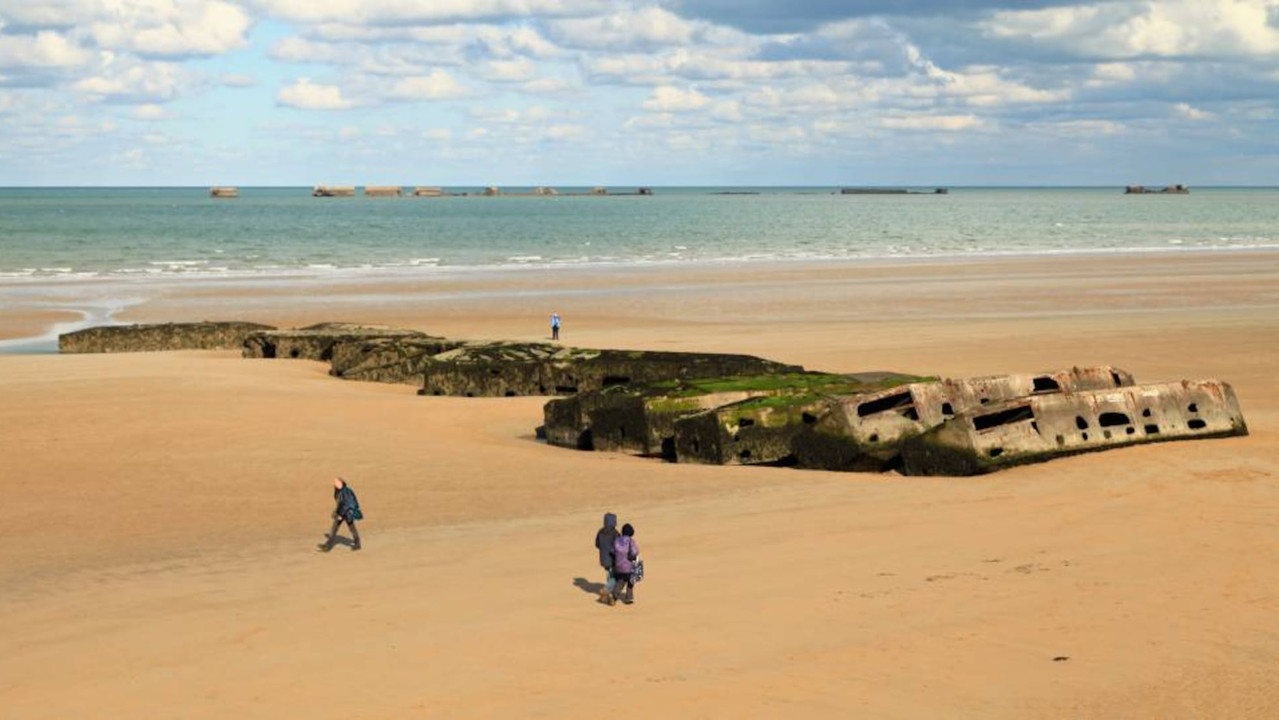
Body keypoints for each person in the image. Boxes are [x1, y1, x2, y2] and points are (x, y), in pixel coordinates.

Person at [319, 477, 362, 552]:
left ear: (341, 483)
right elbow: (339, 503)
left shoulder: (346, 491)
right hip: (343, 512)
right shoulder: (339, 491)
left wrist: (340, 515)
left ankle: (357, 544)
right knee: (335, 529)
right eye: (335, 483)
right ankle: (327, 546)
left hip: (347, 513)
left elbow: (346, 504)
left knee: (350, 528)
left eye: (337, 482)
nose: (335, 484)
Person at [610, 523, 640, 605]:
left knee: (621, 581)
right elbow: (635, 552)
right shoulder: (631, 541)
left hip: (618, 566)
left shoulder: (616, 540)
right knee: (631, 581)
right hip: (629, 567)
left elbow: (612, 551)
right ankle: (629, 597)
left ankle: (614, 594)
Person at [594, 512, 618, 603]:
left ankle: (606, 595)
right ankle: (606, 589)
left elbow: (597, 544)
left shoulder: (600, 531)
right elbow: (618, 547)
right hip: (612, 558)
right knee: (614, 577)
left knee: (609, 574)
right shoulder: (615, 533)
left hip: (603, 558)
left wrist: (603, 550)